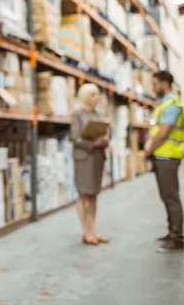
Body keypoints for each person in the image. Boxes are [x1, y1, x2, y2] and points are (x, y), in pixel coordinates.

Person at [144, 71, 184, 253]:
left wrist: (148, 149)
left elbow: (163, 133)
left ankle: (177, 240)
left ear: (164, 83)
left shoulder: (171, 104)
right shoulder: (164, 103)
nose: (152, 88)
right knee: (167, 197)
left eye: (155, 84)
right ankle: (171, 234)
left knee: (171, 198)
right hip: (162, 156)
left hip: (168, 156)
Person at [69, 84, 110, 246]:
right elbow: (74, 137)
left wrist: (105, 140)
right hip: (85, 157)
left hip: (98, 157)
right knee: (83, 194)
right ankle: (85, 232)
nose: (97, 97)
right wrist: (92, 144)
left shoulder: (99, 113)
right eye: (93, 95)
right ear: (85, 96)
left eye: (97, 94)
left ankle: (93, 230)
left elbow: (104, 132)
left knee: (93, 194)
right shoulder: (78, 113)